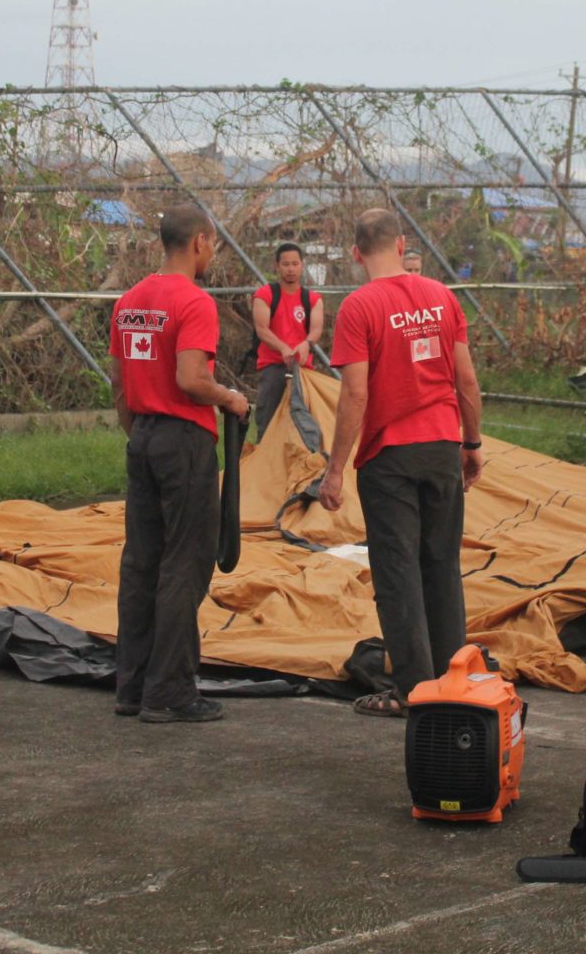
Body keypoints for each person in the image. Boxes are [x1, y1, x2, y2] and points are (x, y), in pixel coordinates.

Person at [319, 208, 485, 718]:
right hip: (440, 447)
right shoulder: (441, 297)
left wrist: (336, 467)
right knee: (441, 566)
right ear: (401, 244)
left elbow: (355, 394)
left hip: (389, 459)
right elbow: (467, 382)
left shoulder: (358, 307)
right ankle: (454, 681)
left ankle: (413, 692)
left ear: (355, 253)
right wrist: (471, 443)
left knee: (398, 574)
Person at [107, 205, 249, 722]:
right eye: (213, 245)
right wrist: (230, 399)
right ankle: (169, 691)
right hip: (183, 440)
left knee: (141, 562)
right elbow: (192, 379)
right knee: (184, 565)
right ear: (200, 243)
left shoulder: (129, 302)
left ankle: (132, 686)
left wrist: (140, 437)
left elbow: (119, 385)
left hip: (141, 436)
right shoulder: (194, 302)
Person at [250, 241, 324, 435]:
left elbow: (316, 330)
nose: (291, 269)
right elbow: (262, 329)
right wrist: (283, 348)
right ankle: (265, 460)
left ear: (302, 264)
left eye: (295, 263)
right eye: (286, 264)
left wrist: (306, 344)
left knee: (304, 426)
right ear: (277, 266)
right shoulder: (264, 295)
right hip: (273, 368)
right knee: (268, 424)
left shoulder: (312, 299)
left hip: (303, 370)